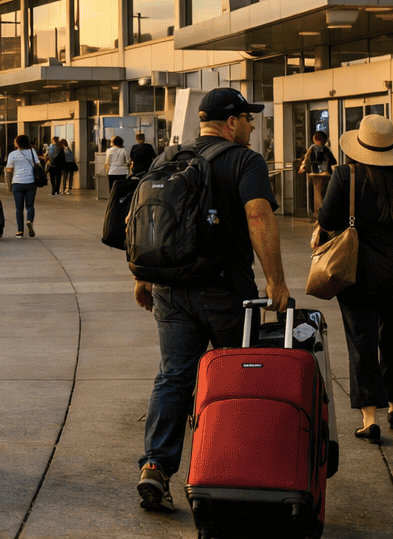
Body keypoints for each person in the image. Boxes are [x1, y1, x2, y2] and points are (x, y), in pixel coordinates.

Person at [134, 87, 290, 513]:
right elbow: (259, 215)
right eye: (249, 118)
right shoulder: (245, 161)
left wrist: (141, 277)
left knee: (173, 377)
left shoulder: (168, 158)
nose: (254, 126)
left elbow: (145, 219)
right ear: (231, 121)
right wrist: (276, 281)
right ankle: (228, 469)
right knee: (235, 381)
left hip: (170, 290)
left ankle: (155, 465)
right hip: (227, 295)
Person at [316, 114, 393, 444]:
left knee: (362, 341)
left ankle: (370, 417)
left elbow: (327, 218)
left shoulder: (346, 175)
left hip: (358, 274)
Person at [5, 134, 40, 238]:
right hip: (31, 182)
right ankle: (29, 221)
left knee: (19, 208)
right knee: (30, 206)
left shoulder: (13, 154)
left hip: (17, 183)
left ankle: (20, 231)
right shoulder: (33, 152)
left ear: (17, 143)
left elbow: (9, 169)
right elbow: (38, 164)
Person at [299, 130, 338, 215]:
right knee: (324, 195)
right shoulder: (326, 150)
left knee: (316, 196)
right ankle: (322, 212)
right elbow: (334, 161)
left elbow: (309, 161)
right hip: (326, 176)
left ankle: (317, 212)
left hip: (315, 177)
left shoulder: (312, 149)